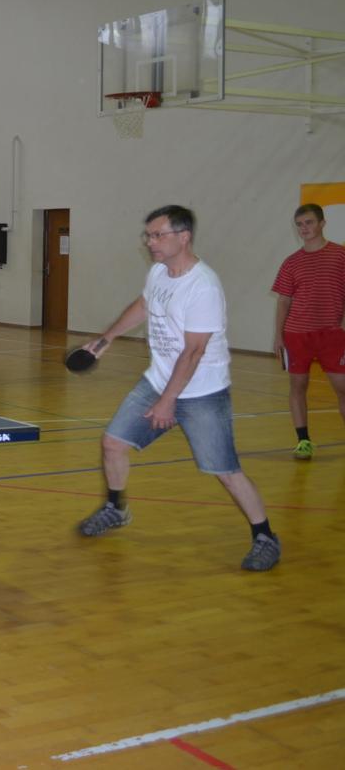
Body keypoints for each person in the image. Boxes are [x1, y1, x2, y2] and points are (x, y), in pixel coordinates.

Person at [75, 205, 280, 571]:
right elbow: (144, 305)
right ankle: (116, 508)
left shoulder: (203, 286)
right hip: (157, 380)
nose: (150, 242)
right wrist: (107, 339)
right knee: (113, 444)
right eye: (148, 235)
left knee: (225, 471)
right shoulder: (159, 272)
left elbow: (194, 350)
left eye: (158, 235)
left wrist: (168, 401)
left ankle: (265, 537)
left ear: (183, 237)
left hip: (202, 393)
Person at [270, 203, 345, 459]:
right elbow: (283, 301)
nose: (304, 228)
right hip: (297, 335)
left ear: (322, 223)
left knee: (342, 387)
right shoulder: (291, 262)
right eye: (300, 224)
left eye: (309, 222)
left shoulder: (340, 256)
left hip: (333, 336)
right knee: (298, 385)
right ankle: (303, 441)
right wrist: (278, 335)